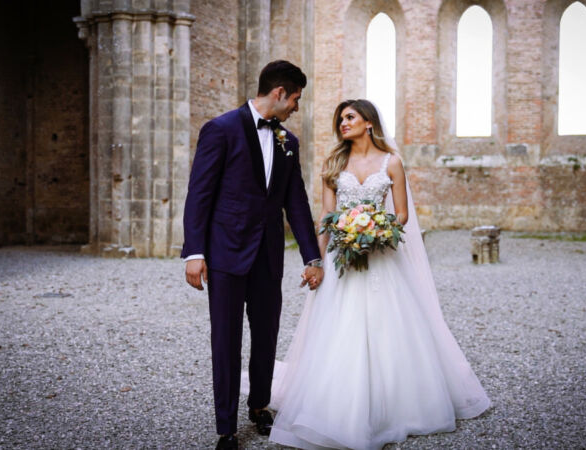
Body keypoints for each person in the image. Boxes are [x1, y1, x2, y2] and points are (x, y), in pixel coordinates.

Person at [268, 99, 491, 449]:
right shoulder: (333, 164)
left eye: (350, 117)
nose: (343, 123)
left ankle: (395, 405)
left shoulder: (392, 163)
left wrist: (375, 230)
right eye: (341, 119)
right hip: (343, 258)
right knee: (340, 330)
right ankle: (339, 406)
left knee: (390, 327)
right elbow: (326, 218)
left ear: (368, 122)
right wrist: (317, 262)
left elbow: (401, 214)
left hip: (381, 256)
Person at [181, 60, 325, 450]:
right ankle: (226, 427)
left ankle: (259, 405)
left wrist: (312, 258)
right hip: (225, 254)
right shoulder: (221, 129)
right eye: (295, 99)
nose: (296, 107)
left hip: (267, 256)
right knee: (225, 340)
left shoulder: (288, 143)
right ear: (279, 93)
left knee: (266, 334)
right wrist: (194, 252)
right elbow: (200, 194)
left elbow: (296, 202)